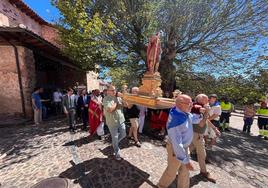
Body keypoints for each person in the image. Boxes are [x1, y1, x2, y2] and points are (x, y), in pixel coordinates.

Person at [158, 94, 199, 188]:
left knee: (184, 172)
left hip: (184, 147)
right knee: (172, 171)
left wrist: (202, 114)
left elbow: (193, 119)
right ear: (180, 104)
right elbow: (177, 144)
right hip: (176, 149)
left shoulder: (184, 112)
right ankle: (161, 186)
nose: (192, 105)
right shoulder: (176, 119)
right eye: (189, 103)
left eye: (192, 102)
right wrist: (186, 161)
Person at [189, 94, 220, 183]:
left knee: (188, 151)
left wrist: (215, 128)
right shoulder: (196, 108)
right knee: (201, 154)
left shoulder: (201, 108)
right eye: (206, 100)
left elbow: (206, 120)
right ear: (200, 100)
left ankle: (179, 166)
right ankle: (204, 172)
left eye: (207, 100)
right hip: (196, 135)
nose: (208, 102)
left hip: (197, 135)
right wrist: (206, 111)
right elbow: (201, 123)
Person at [103, 85, 126, 160]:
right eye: (112, 90)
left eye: (115, 90)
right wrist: (116, 101)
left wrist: (124, 98)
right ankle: (117, 151)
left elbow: (126, 105)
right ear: (108, 91)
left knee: (123, 134)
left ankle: (114, 143)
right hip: (112, 122)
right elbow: (110, 109)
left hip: (121, 120)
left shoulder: (119, 98)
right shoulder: (106, 99)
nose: (114, 91)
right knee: (115, 137)